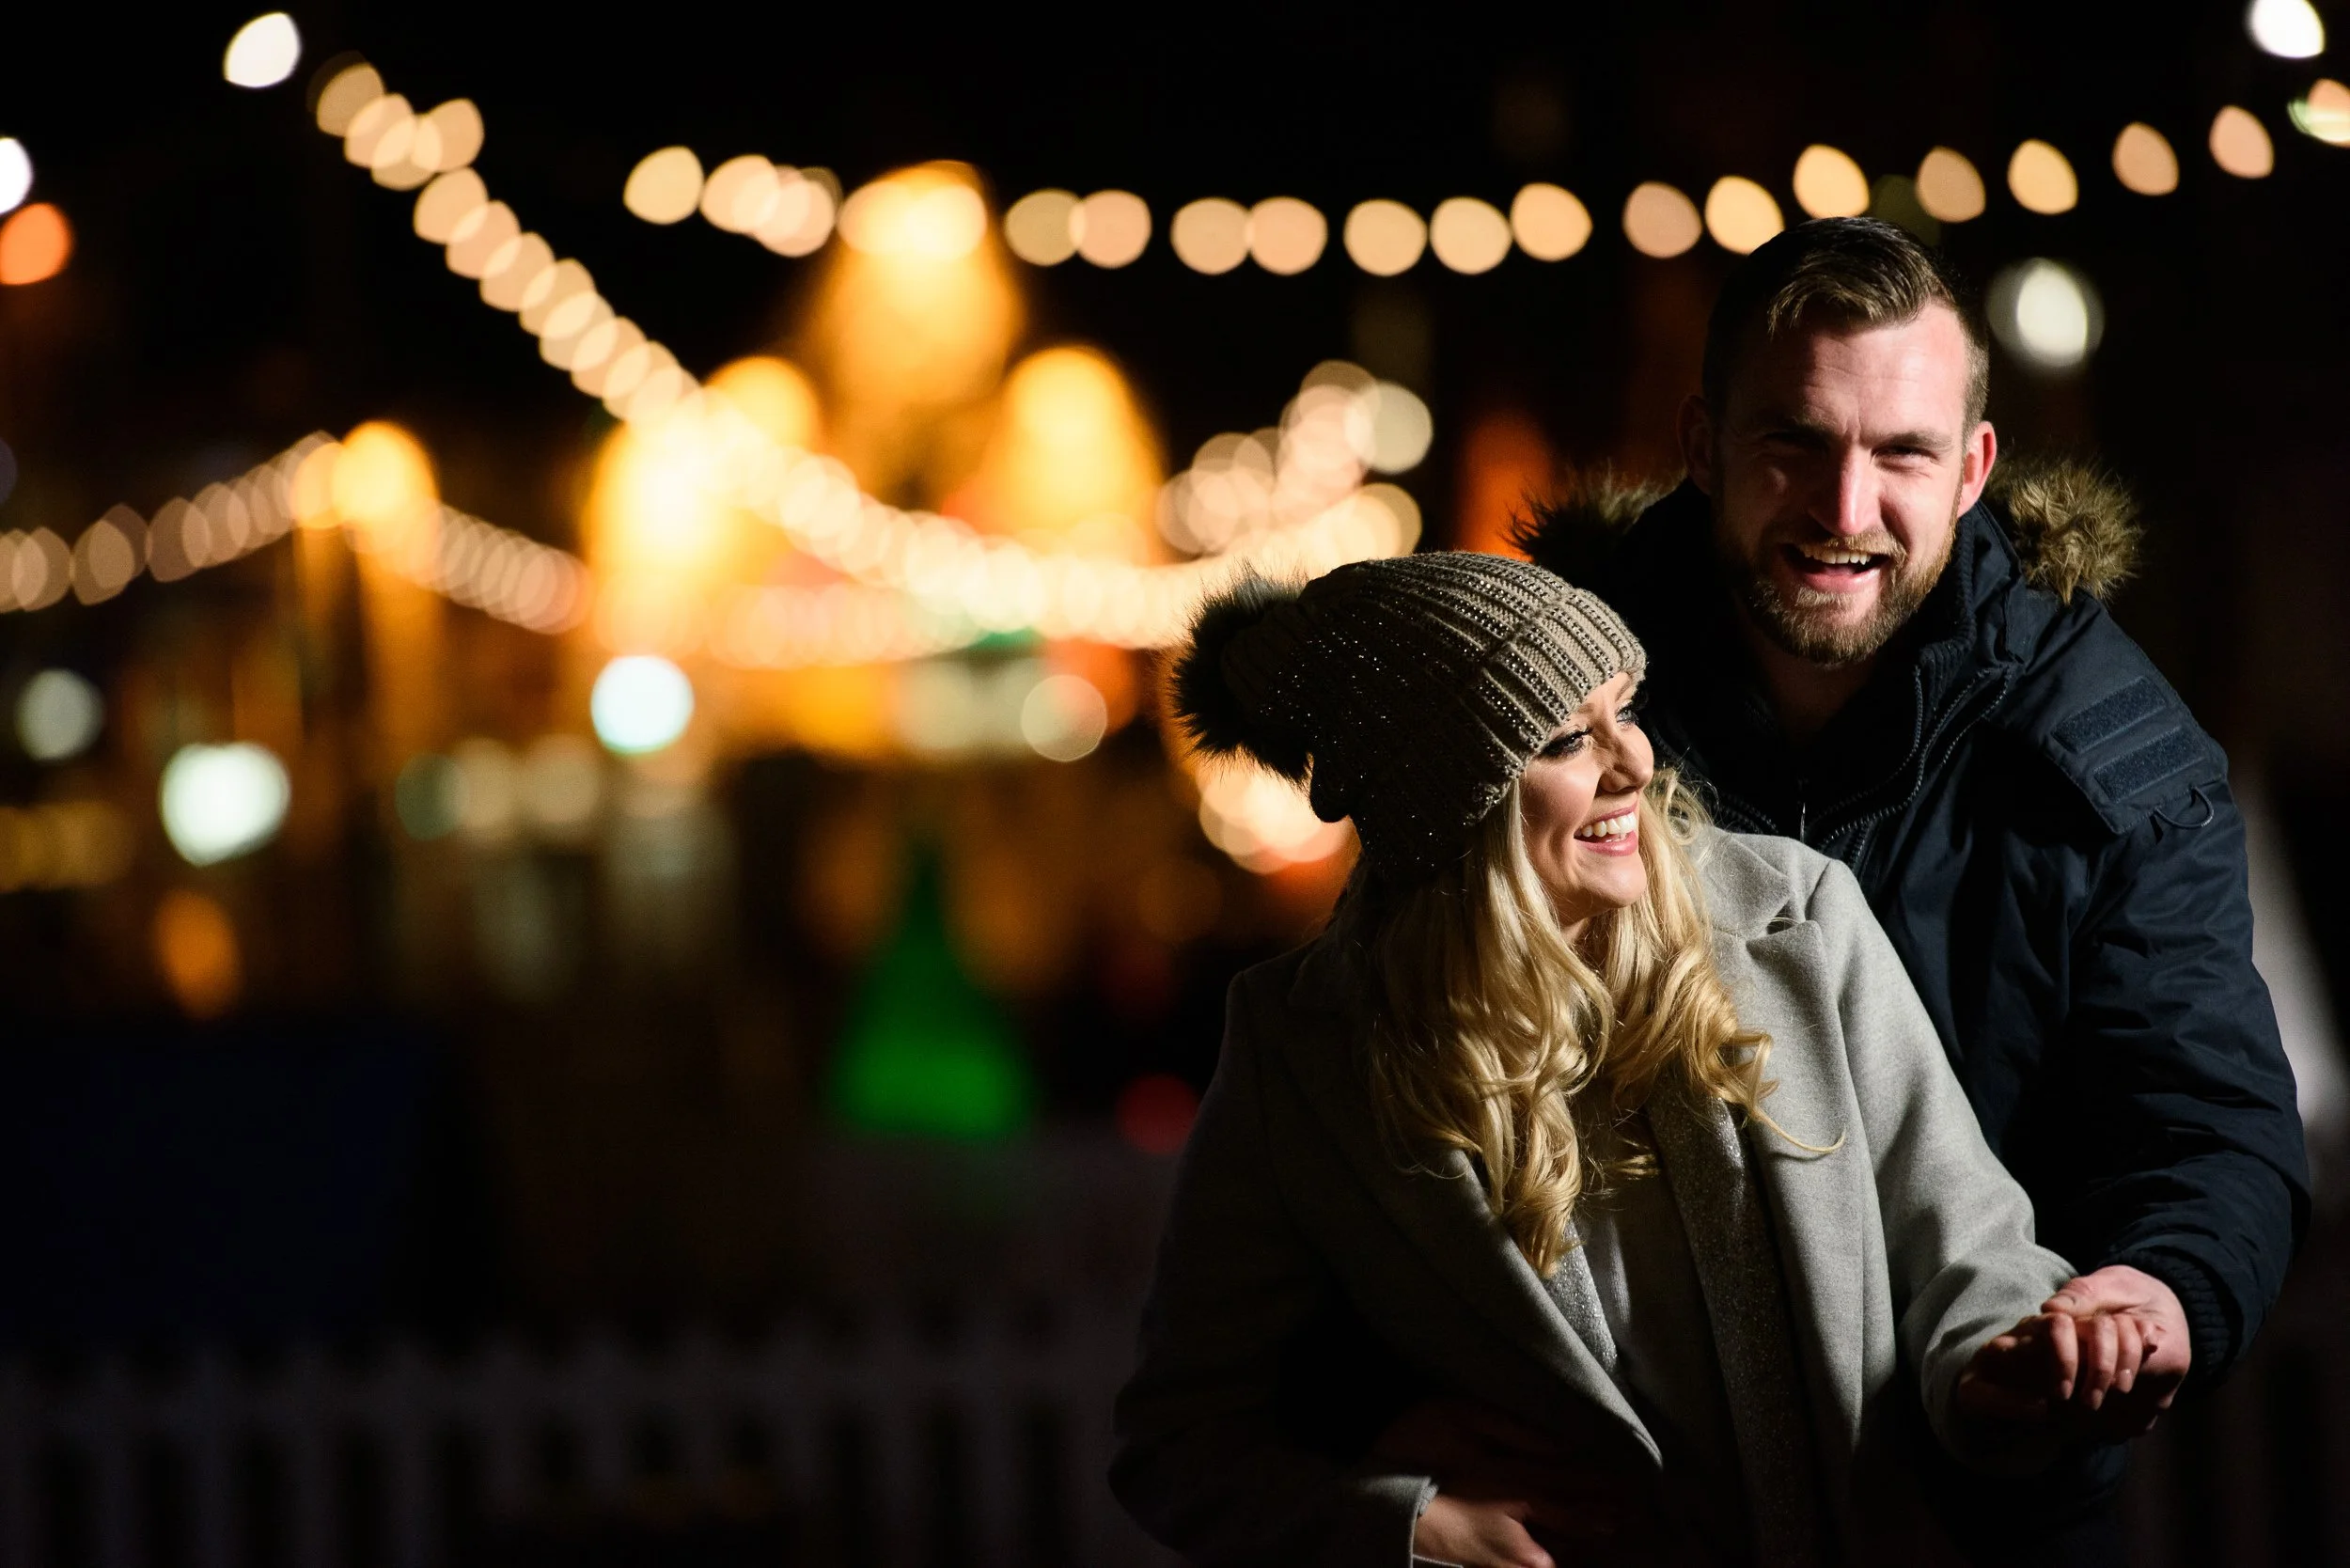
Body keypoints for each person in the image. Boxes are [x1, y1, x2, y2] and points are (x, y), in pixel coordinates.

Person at [1515, 216, 2309, 1561]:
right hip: (1624, 1514)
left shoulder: (2111, 754)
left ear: (1973, 469)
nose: (1843, 510)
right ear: (1704, 446)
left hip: (1982, 1507)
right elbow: (1404, 1091)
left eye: (1901, 453)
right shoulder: (1540, 721)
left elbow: (2206, 1121)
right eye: (1795, 443)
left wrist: (2151, 1298)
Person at [1113, 553, 2128, 1567]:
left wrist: (2004, 1356)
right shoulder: (1308, 1048)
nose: (1633, 762)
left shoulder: (1800, 916)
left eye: (1624, 709)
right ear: (1444, 806)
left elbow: (1963, 1238)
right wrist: (1410, 1523)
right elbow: (1176, 1444)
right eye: (1565, 737)